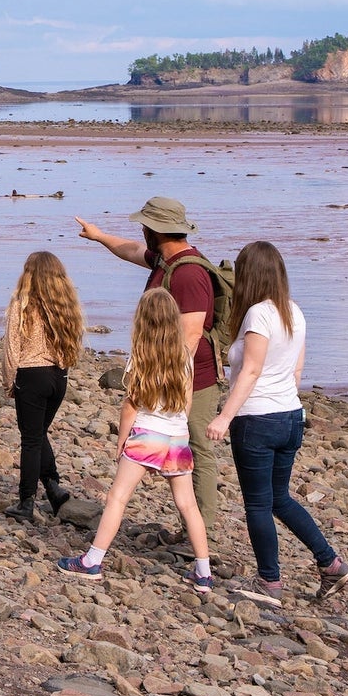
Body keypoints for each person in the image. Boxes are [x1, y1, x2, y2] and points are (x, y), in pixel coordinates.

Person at [205, 241, 348, 605]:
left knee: (258, 504)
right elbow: (297, 369)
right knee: (280, 499)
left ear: (250, 275)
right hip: (290, 416)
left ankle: (269, 582)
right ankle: (332, 564)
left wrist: (225, 416)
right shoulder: (294, 311)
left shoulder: (258, 314)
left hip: (257, 419)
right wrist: (283, 402)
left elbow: (254, 368)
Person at [74, 196, 224, 536]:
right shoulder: (165, 260)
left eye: (144, 225)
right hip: (174, 376)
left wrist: (159, 381)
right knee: (186, 448)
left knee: (196, 446)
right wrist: (99, 237)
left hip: (193, 378)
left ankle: (202, 530)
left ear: (155, 230)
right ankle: (195, 530)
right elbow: (130, 250)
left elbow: (190, 336)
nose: (140, 230)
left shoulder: (188, 274)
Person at [57, 289, 212, 588]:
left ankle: (92, 560)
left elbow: (131, 405)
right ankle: (203, 571)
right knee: (187, 505)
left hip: (146, 433)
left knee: (118, 497)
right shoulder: (185, 358)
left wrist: (122, 441)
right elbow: (188, 401)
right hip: (177, 437)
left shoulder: (141, 356)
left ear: (143, 320)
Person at [0, 251, 83, 522]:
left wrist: (9, 382)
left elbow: (12, 348)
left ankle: (26, 501)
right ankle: (53, 487)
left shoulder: (22, 303)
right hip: (59, 376)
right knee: (38, 433)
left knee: (31, 439)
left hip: (31, 374)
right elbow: (73, 344)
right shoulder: (65, 303)